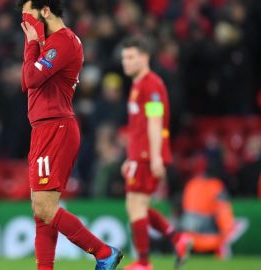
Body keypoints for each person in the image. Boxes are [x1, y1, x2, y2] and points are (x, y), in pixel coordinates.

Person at [17, 1, 123, 269]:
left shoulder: (64, 41)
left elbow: (30, 78)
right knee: (41, 211)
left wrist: (31, 43)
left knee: (44, 208)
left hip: (55, 127)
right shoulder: (50, 44)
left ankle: (103, 252)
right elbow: (26, 81)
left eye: (27, 14)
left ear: (45, 11)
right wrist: (34, 43)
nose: (24, 21)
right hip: (44, 128)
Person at [120, 36, 193, 270]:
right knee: (136, 206)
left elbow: (155, 121)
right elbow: (139, 127)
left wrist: (156, 156)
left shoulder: (151, 85)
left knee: (136, 206)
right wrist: (130, 157)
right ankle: (177, 238)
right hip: (139, 154)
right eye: (124, 58)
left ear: (145, 57)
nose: (126, 62)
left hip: (147, 155)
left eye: (131, 57)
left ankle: (144, 263)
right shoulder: (139, 84)